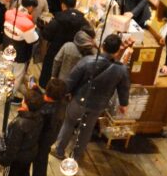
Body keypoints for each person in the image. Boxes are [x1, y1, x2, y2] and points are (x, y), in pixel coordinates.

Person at [54, 34, 131, 163]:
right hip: (98, 105)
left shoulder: (87, 60)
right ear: (118, 51)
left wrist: (65, 92)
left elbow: (72, 79)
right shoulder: (121, 69)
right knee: (86, 130)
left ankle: (59, 151)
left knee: (69, 123)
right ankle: (76, 157)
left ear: (102, 46)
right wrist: (123, 104)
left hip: (79, 100)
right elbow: (124, 88)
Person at [39, 0, 91, 87]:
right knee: (67, 73)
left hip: (55, 49)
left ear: (63, 5)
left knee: (50, 70)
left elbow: (46, 35)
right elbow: (88, 36)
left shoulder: (58, 18)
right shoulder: (83, 20)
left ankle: (45, 88)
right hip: (75, 51)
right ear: (75, 5)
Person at [29, 79, 67, 176]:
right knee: (40, 162)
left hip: (42, 140)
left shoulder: (46, 111)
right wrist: (36, 89)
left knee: (40, 163)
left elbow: (38, 111)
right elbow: (46, 99)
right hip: (50, 138)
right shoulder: (61, 103)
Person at [3, 0, 40, 88]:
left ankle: (3, 88)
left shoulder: (9, 13)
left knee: (5, 71)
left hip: (6, 48)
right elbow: (34, 40)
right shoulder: (27, 24)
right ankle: (11, 97)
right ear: (30, 7)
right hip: (19, 54)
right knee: (16, 77)